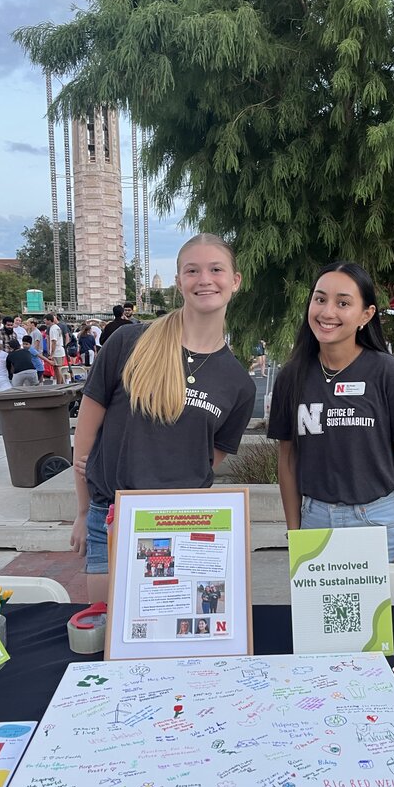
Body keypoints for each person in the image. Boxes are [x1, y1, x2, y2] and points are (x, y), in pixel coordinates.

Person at [70, 233, 256, 603]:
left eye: (216, 269)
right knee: (109, 637)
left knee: (178, 641)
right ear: (179, 281)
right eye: (192, 270)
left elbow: (204, 460)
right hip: (112, 518)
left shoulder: (238, 383)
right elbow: (85, 442)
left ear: (235, 280)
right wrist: (81, 511)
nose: (205, 279)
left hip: (183, 525)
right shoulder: (129, 342)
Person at [267, 261, 394, 563]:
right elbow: (287, 461)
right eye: (320, 299)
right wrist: (295, 533)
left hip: (379, 523)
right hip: (314, 522)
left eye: (343, 303)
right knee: (324, 613)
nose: (327, 312)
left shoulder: (389, 374)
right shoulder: (292, 376)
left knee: (385, 613)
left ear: (366, 315)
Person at [45, 313, 69, 384]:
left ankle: (60, 383)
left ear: (49, 320)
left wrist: (52, 353)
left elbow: (54, 341)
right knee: (56, 368)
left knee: (58, 368)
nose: (45, 322)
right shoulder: (56, 327)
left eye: (45, 320)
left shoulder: (53, 329)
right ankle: (60, 383)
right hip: (59, 350)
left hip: (57, 350)